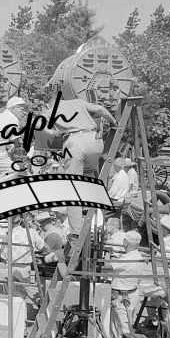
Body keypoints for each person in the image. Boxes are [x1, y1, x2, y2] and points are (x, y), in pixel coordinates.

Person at [42, 96, 118, 240]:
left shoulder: (52, 108)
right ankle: (90, 208)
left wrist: (53, 132)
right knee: (88, 173)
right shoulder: (77, 102)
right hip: (95, 142)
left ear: (48, 104)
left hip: (76, 143)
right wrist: (114, 122)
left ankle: (76, 231)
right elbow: (100, 109)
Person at [105, 230, 146, 338]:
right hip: (131, 293)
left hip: (123, 297)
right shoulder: (137, 256)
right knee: (122, 324)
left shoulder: (127, 258)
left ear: (126, 243)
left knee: (122, 328)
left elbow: (107, 266)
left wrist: (107, 253)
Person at [0, 214, 45, 298]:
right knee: (22, 294)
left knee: (10, 295)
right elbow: (41, 246)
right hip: (24, 268)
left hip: (10, 266)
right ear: (21, 220)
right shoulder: (31, 232)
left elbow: (3, 255)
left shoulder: (7, 235)